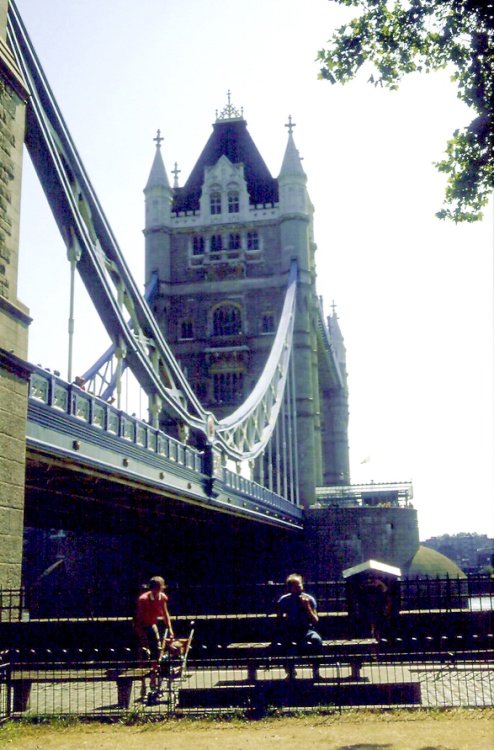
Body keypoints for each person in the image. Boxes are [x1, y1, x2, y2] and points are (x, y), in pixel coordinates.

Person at [274, 573, 322, 679]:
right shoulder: (284, 600)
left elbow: (315, 621)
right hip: (290, 630)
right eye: (295, 586)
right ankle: (290, 671)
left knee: (317, 640)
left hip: (306, 630)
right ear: (290, 588)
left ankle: (316, 670)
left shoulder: (309, 599)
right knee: (284, 644)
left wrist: (307, 607)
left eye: (299, 586)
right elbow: (278, 620)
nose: (298, 589)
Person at [134, 576, 174, 690]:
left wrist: (170, 628)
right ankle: (142, 683)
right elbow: (138, 619)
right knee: (143, 653)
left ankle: (153, 679)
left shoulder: (162, 597)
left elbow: (165, 613)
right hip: (141, 626)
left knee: (156, 651)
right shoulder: (143, 599)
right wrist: (141, 634)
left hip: (152, 625)